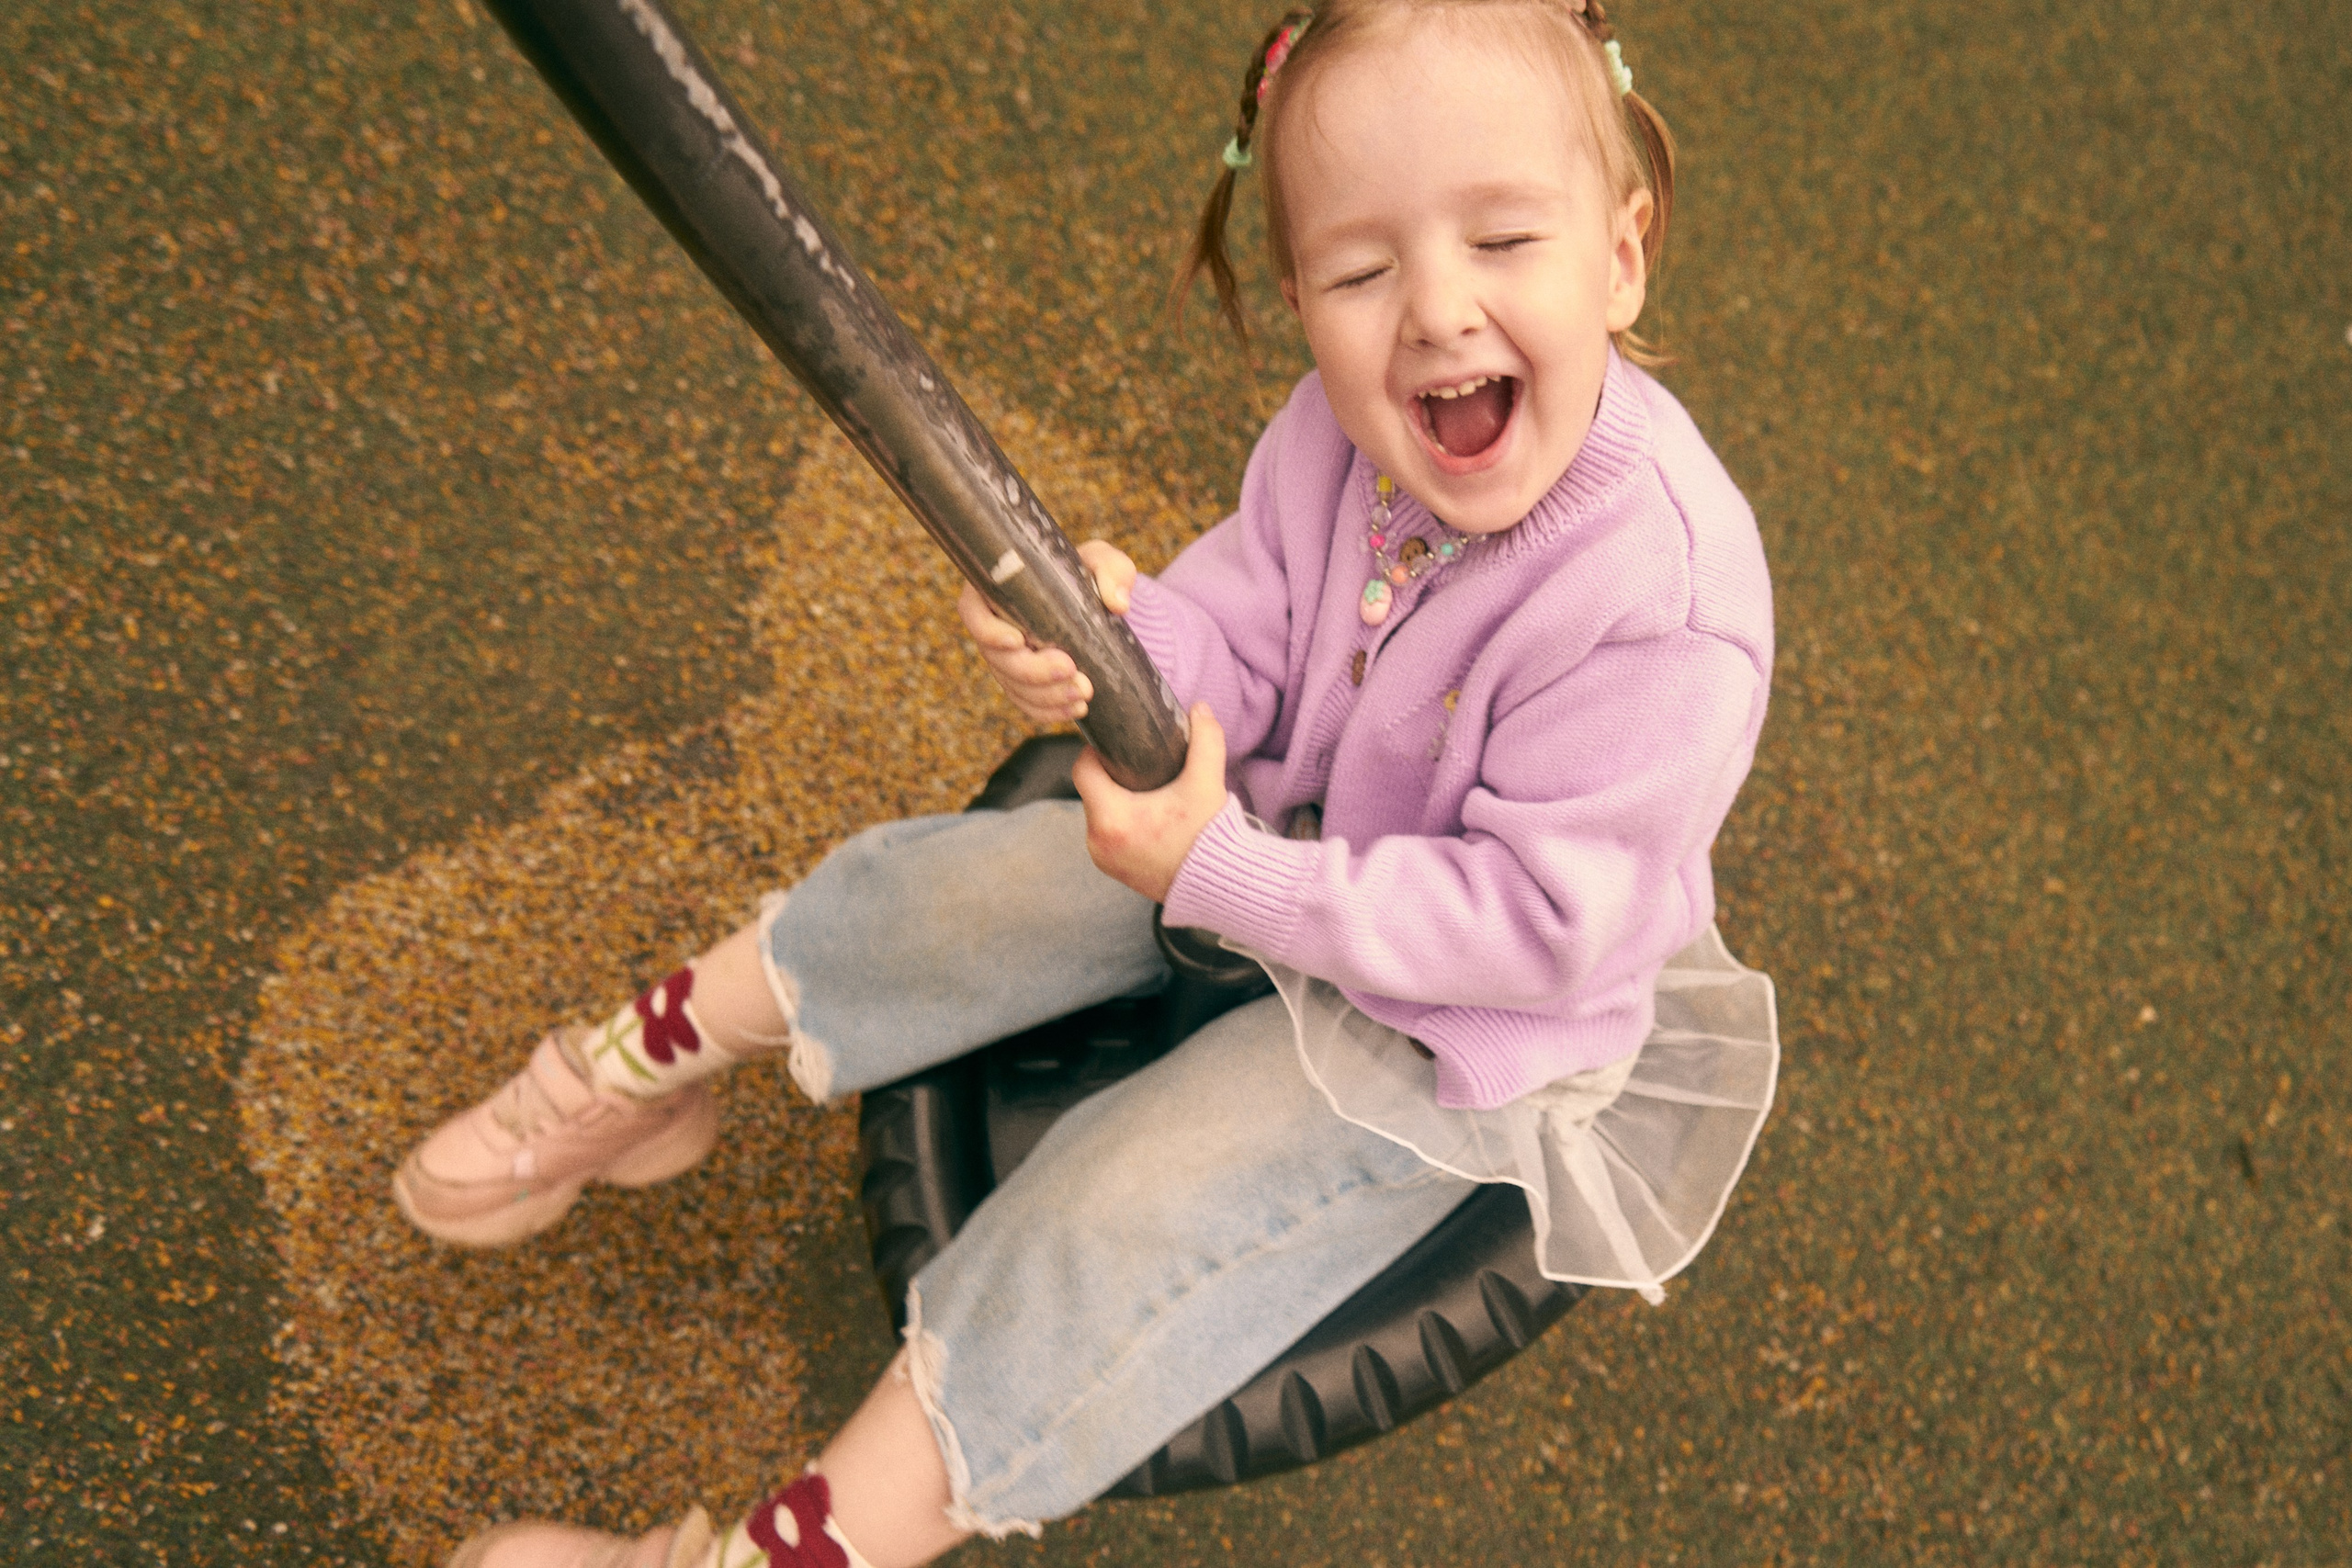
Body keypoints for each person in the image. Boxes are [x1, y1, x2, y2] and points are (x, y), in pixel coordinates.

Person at [411, 2, 1778, 1563]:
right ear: (1300, 301)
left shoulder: (1664, 601)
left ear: (1621, 252)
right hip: (1277, 832)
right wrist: (1127, 634)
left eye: (1505, 239)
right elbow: (1253, 624)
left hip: (1466, 1023)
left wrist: (1229, 873)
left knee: (1114, 1220)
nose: (1434, 312)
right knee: (953, 896)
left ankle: (783, 1553)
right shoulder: (1346, 438)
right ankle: (655, 1068)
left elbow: (1539, 926)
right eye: (1360, 270)